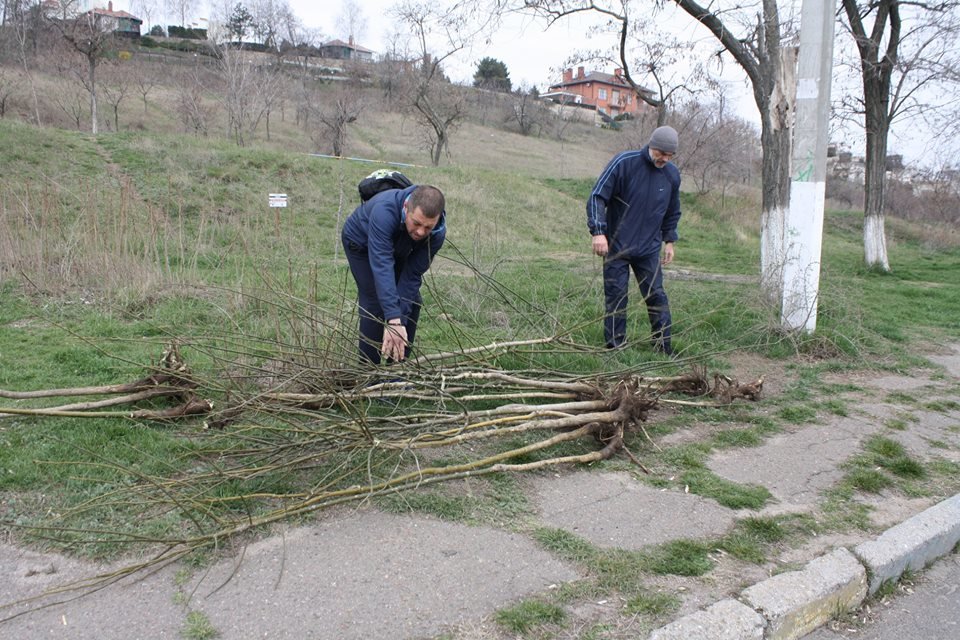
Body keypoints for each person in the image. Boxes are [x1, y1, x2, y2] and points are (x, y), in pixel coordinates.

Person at [587, 125, 682, 355]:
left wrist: (669, 241)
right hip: (616, 246)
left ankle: (663, 347)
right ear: (652, 146)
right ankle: (615, 347)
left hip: (649, 248)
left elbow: (672, 211)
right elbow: (597, 196)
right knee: (616, 296)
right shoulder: (624, 163)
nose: (665, 159)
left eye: (670, 155)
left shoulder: (671, 175)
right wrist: (598, 232)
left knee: (656, 295)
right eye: (661, 153)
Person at [341, 184, 446, 364]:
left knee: (412, 303)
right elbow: (382, 265)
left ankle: (396, 370)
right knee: (375, 304)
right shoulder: (384, 211)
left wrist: (398, 321)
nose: (421, 232)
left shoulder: (438, 233)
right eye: (416, 223)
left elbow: (412, 275)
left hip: (398, 245)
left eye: (428, 227)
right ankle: (368, 372)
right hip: (361, 244)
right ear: (406, 208)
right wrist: (393, 318)